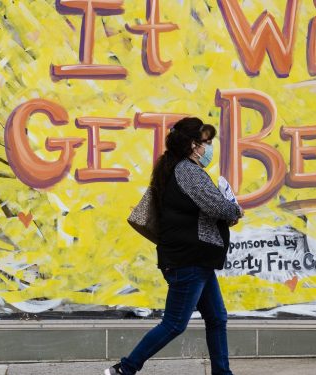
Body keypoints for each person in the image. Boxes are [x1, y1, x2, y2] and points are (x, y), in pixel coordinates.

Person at [107, 117, 243, 375]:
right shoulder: (188, 172)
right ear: (194, 145)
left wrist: (228, 212)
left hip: (195, 260)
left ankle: (222, 373)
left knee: (216, 318)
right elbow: (219, 206)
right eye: (207, 143)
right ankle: (125, 369)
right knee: (174, 323)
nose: (209, 148)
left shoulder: (171, 168)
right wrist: (235, 209)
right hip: (188, 261)